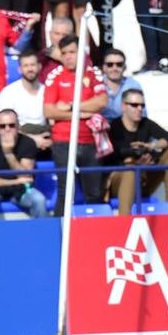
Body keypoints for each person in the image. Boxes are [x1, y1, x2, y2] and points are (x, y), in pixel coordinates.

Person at [43, 35, 108, 214]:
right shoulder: (54, 76)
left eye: (72, 52)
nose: (68, 57)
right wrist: (85, 113)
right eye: (64, 53)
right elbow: (49, 111)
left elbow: (102, 102)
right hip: (63, 141)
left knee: (94, 192)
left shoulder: (93, 73)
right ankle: (58, 234)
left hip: (90, 141)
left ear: (81, 52)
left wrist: (71, 106)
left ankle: (96, 234)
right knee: (65, 191)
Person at [105, 89, 168, 215]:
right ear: (123, 106)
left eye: (142, 105)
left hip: (142, 179)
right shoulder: (114, 127)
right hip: (119, 182)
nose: (139, 109)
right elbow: (114, 154)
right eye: (134, 105)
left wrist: (151, 146)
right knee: (130, 170)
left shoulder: (146, 123)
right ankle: (125, 218)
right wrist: (135, 157)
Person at [0, 109, 46, 220]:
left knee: (39, 200)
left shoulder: (28, 143)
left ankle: (42, 235)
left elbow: (25, 176)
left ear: (18, 126)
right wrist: (14, 181)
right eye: (2, 126)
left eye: (11, 125)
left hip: (20, 189)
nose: (7, 129)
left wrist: (8, 153)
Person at [0, 50, 52, 158]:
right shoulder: (9, 92)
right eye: (25, 65)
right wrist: (32, 139)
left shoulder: (47, 90)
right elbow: (5, 127)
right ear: (20, 69)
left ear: (40, 67)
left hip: (45, 136)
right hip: (19, 139)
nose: (30, 69)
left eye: (33, 65)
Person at [99, 48, 142, 119]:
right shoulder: (95, 84)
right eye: (110, 65)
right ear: (104, 67)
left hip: (125, 128)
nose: (114, 68)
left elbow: (142, 114)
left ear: (124, 67)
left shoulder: (133, 85)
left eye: (119, 64)